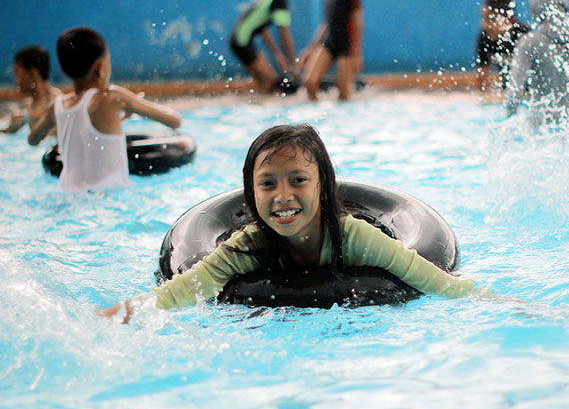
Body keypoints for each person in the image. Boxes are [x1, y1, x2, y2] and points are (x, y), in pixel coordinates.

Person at [102, 124, 494, 323]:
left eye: (298, 180)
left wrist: (508, 305)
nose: (283, 196)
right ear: (250, 194)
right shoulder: (247, 246)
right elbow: (178, 293)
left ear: (323, 188)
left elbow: (433, 280)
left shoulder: (354, 235)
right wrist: (118, 314)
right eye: (267, 184)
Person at [28, 27, 182, 192]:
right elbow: (174, 120)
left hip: (67, 193)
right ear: (101, 67)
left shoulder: (57, 106)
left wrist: (120, 118)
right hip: (110, 196)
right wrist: (135, 104)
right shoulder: (113, 97)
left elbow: (33, 140)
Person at [229, 0, 300, 94]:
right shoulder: (279, 0)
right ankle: (257, 106)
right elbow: (285, 36)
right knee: (268, 82)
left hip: (240, 40)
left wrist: (278, 55)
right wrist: (293, 64)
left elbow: (263, 29)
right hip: (242, 42)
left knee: (269, 82)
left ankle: (257, 104)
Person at [301, 0, 363, 101]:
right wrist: (310, 48)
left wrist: (356, 54)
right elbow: (326, 23)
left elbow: (357, 20)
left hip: (346, 44)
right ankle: (317, 113)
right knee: (310, 82)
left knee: (344, 91)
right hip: (329, 41)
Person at [475, 0, 530, 94]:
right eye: (483, 18)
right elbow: (482, 75)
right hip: (508, 91)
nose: (485, 25)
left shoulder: (526, 38)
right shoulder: (485, 38)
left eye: (491, 20)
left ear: (510, 20)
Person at [1, 46, 61, 134]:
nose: (15, 80)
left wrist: (27, 117)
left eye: (17, 72)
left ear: (33, 73)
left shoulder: (58, 100)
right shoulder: (26, 106)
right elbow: (7, 133)